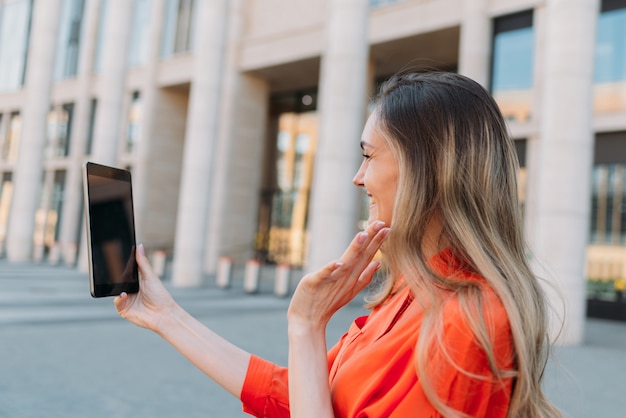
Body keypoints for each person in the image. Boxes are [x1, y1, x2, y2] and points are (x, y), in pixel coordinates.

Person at [115, 71, 562, 417]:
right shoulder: (405, 297)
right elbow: (298, 396)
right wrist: (166, 316)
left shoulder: (471, 318)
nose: (358, 176)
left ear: (426, 168)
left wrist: (307, 327)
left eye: (369, 155)